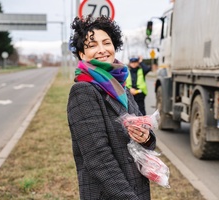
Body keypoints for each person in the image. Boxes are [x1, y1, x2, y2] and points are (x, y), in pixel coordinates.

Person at [67, 15, 156, 200]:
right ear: (82, 54)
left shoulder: (120, 86)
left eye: (106, 42)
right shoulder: (83, 91)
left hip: (135, 187)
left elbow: (146, 131)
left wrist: (146, 137)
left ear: (114, 46)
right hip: (109, 194)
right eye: (92, 45)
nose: (102, 50)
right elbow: (98, 159)